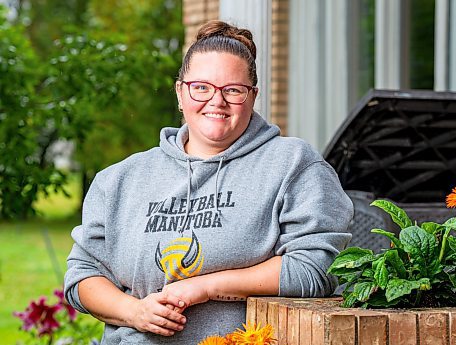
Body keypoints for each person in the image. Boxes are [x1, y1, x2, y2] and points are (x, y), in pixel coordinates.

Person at [64, 20, 353, 344]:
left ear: (253, 96)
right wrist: (134, 312)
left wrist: (205, 286)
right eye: (201, 87)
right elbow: (83, 275)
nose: (216, 101)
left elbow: (316, 269)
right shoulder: (121, 179)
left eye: (233, 90)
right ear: (180, 92)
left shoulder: (292, 165)